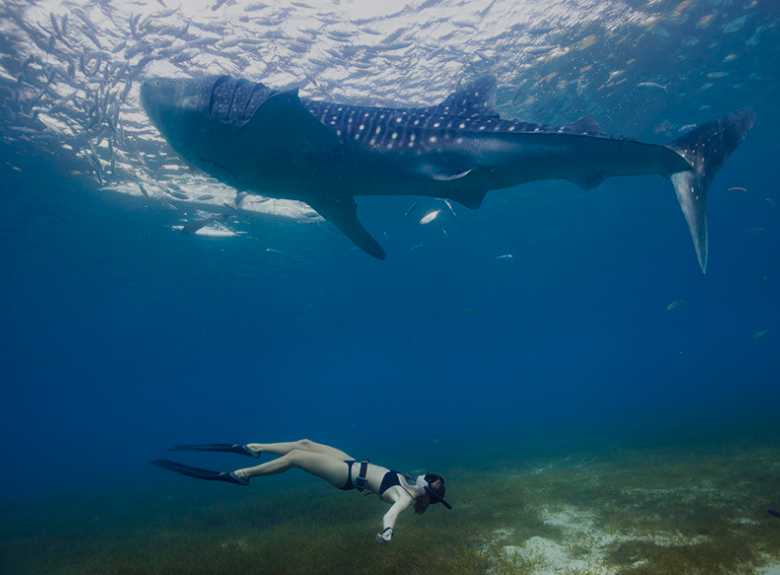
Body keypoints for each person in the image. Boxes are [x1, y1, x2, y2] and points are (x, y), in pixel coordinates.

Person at [151, 439, 451, 543]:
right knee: (304, 443)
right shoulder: (409, 484)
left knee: (295, 457)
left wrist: (387, 533)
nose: (425, 475)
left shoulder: (404, 497)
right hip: (352, 462)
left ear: (428, 491)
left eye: (429, 478)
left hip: (346, 476)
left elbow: (391, 514)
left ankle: (242, 475)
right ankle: (255, 449)